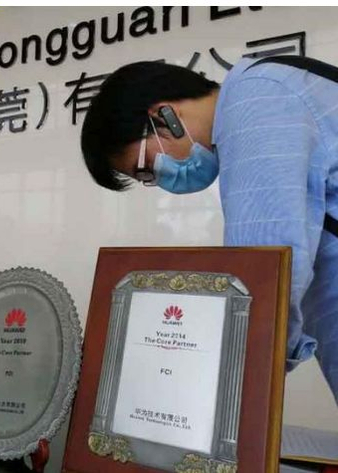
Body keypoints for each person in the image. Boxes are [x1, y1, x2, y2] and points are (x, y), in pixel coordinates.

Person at [80, 56, 338, 403]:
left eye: (144, 168)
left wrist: (214, 388)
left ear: (164, 116)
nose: (158, 179)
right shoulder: (266, 89)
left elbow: (264, 276)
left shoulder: (252, 99)